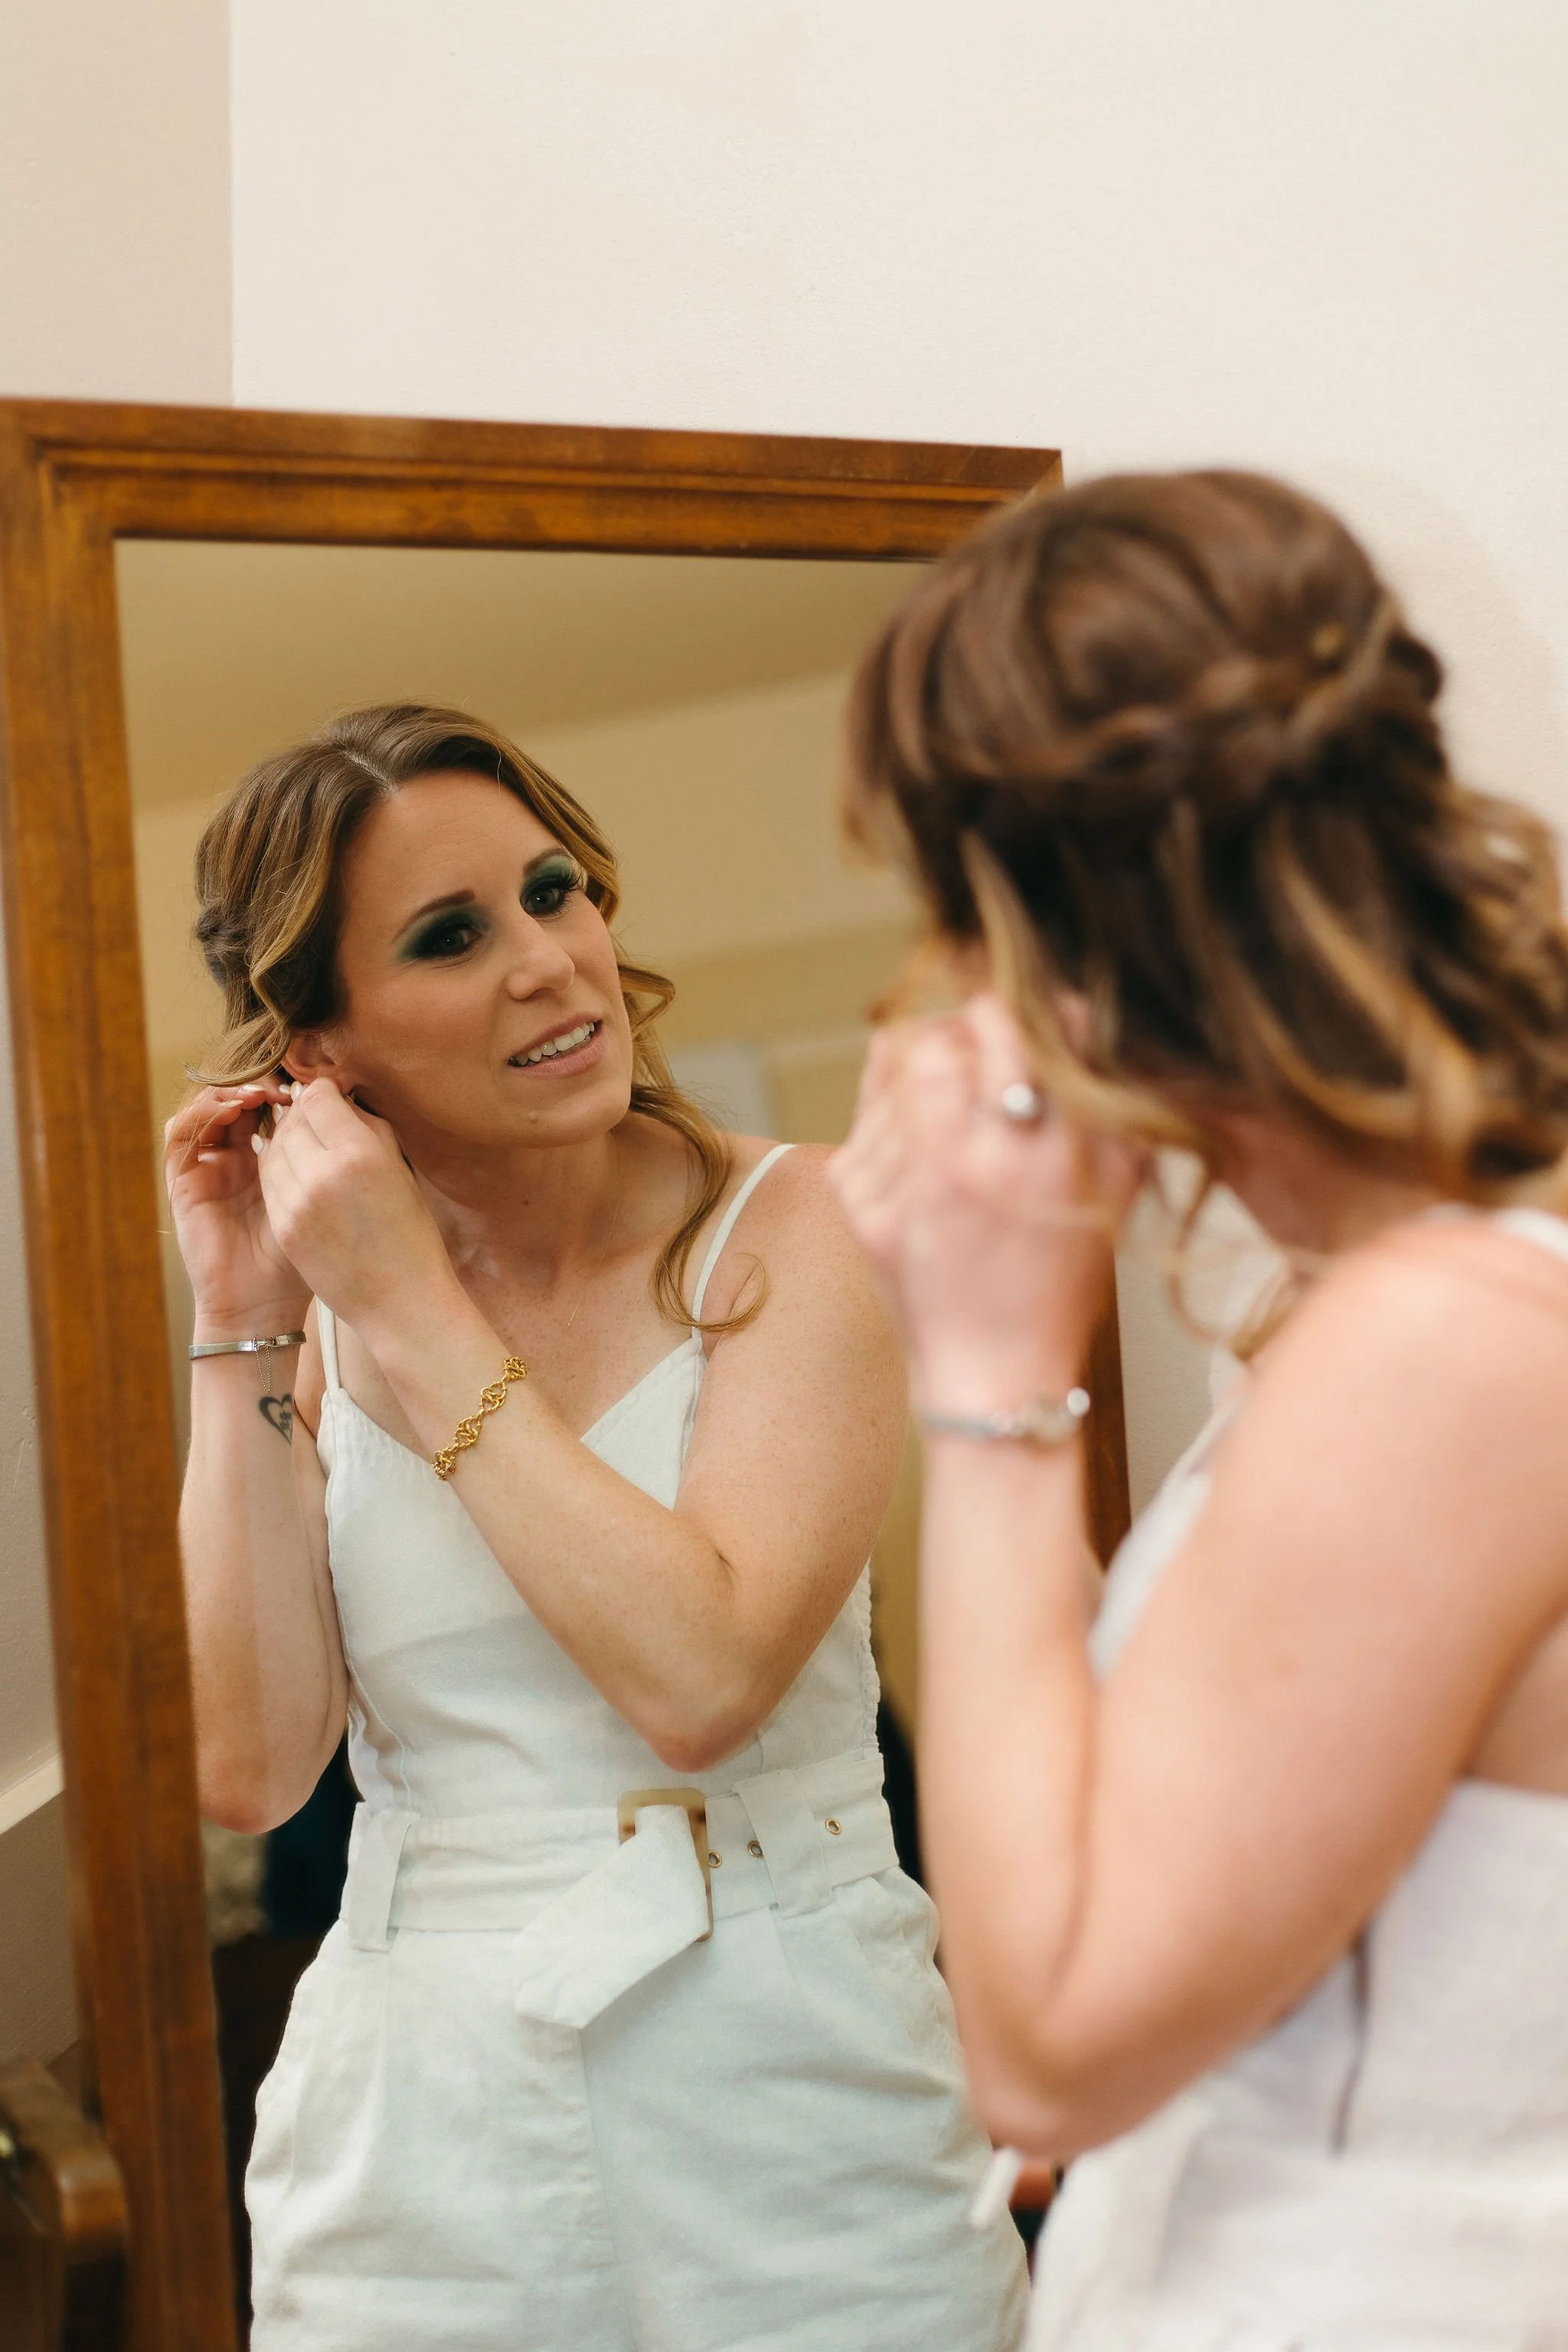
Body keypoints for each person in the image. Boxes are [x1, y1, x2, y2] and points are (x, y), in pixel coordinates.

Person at [167, 703, 1029, 2352]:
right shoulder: (323, 1312)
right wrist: (240, 1327)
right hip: (416, 2121)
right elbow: (254, 1769)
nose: (548, 961)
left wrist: (410, 1308)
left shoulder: (799, 1232)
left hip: (799, 2095)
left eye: (554, 890)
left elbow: (701, 1679)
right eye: (450, 936)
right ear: (322, 1050)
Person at [829, 472, 1568, 2350]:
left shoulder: (1443, 1342)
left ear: (1040, 927)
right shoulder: (1408, 1302)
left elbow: (1050, 2047)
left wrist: (991, 1370)